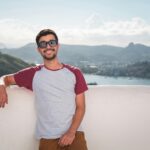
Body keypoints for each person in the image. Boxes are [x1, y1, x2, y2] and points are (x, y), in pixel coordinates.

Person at [0, 29, 88, 150]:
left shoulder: (74, 73)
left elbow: (81, 107)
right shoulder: (33, 74)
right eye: (43, 44)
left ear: (57, 46)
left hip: (74, 134)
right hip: (48, 138)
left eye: (52, 42)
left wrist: (71, 133)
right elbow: (5, 79)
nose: (48, 46)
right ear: (38, 49)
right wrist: (1, 87)